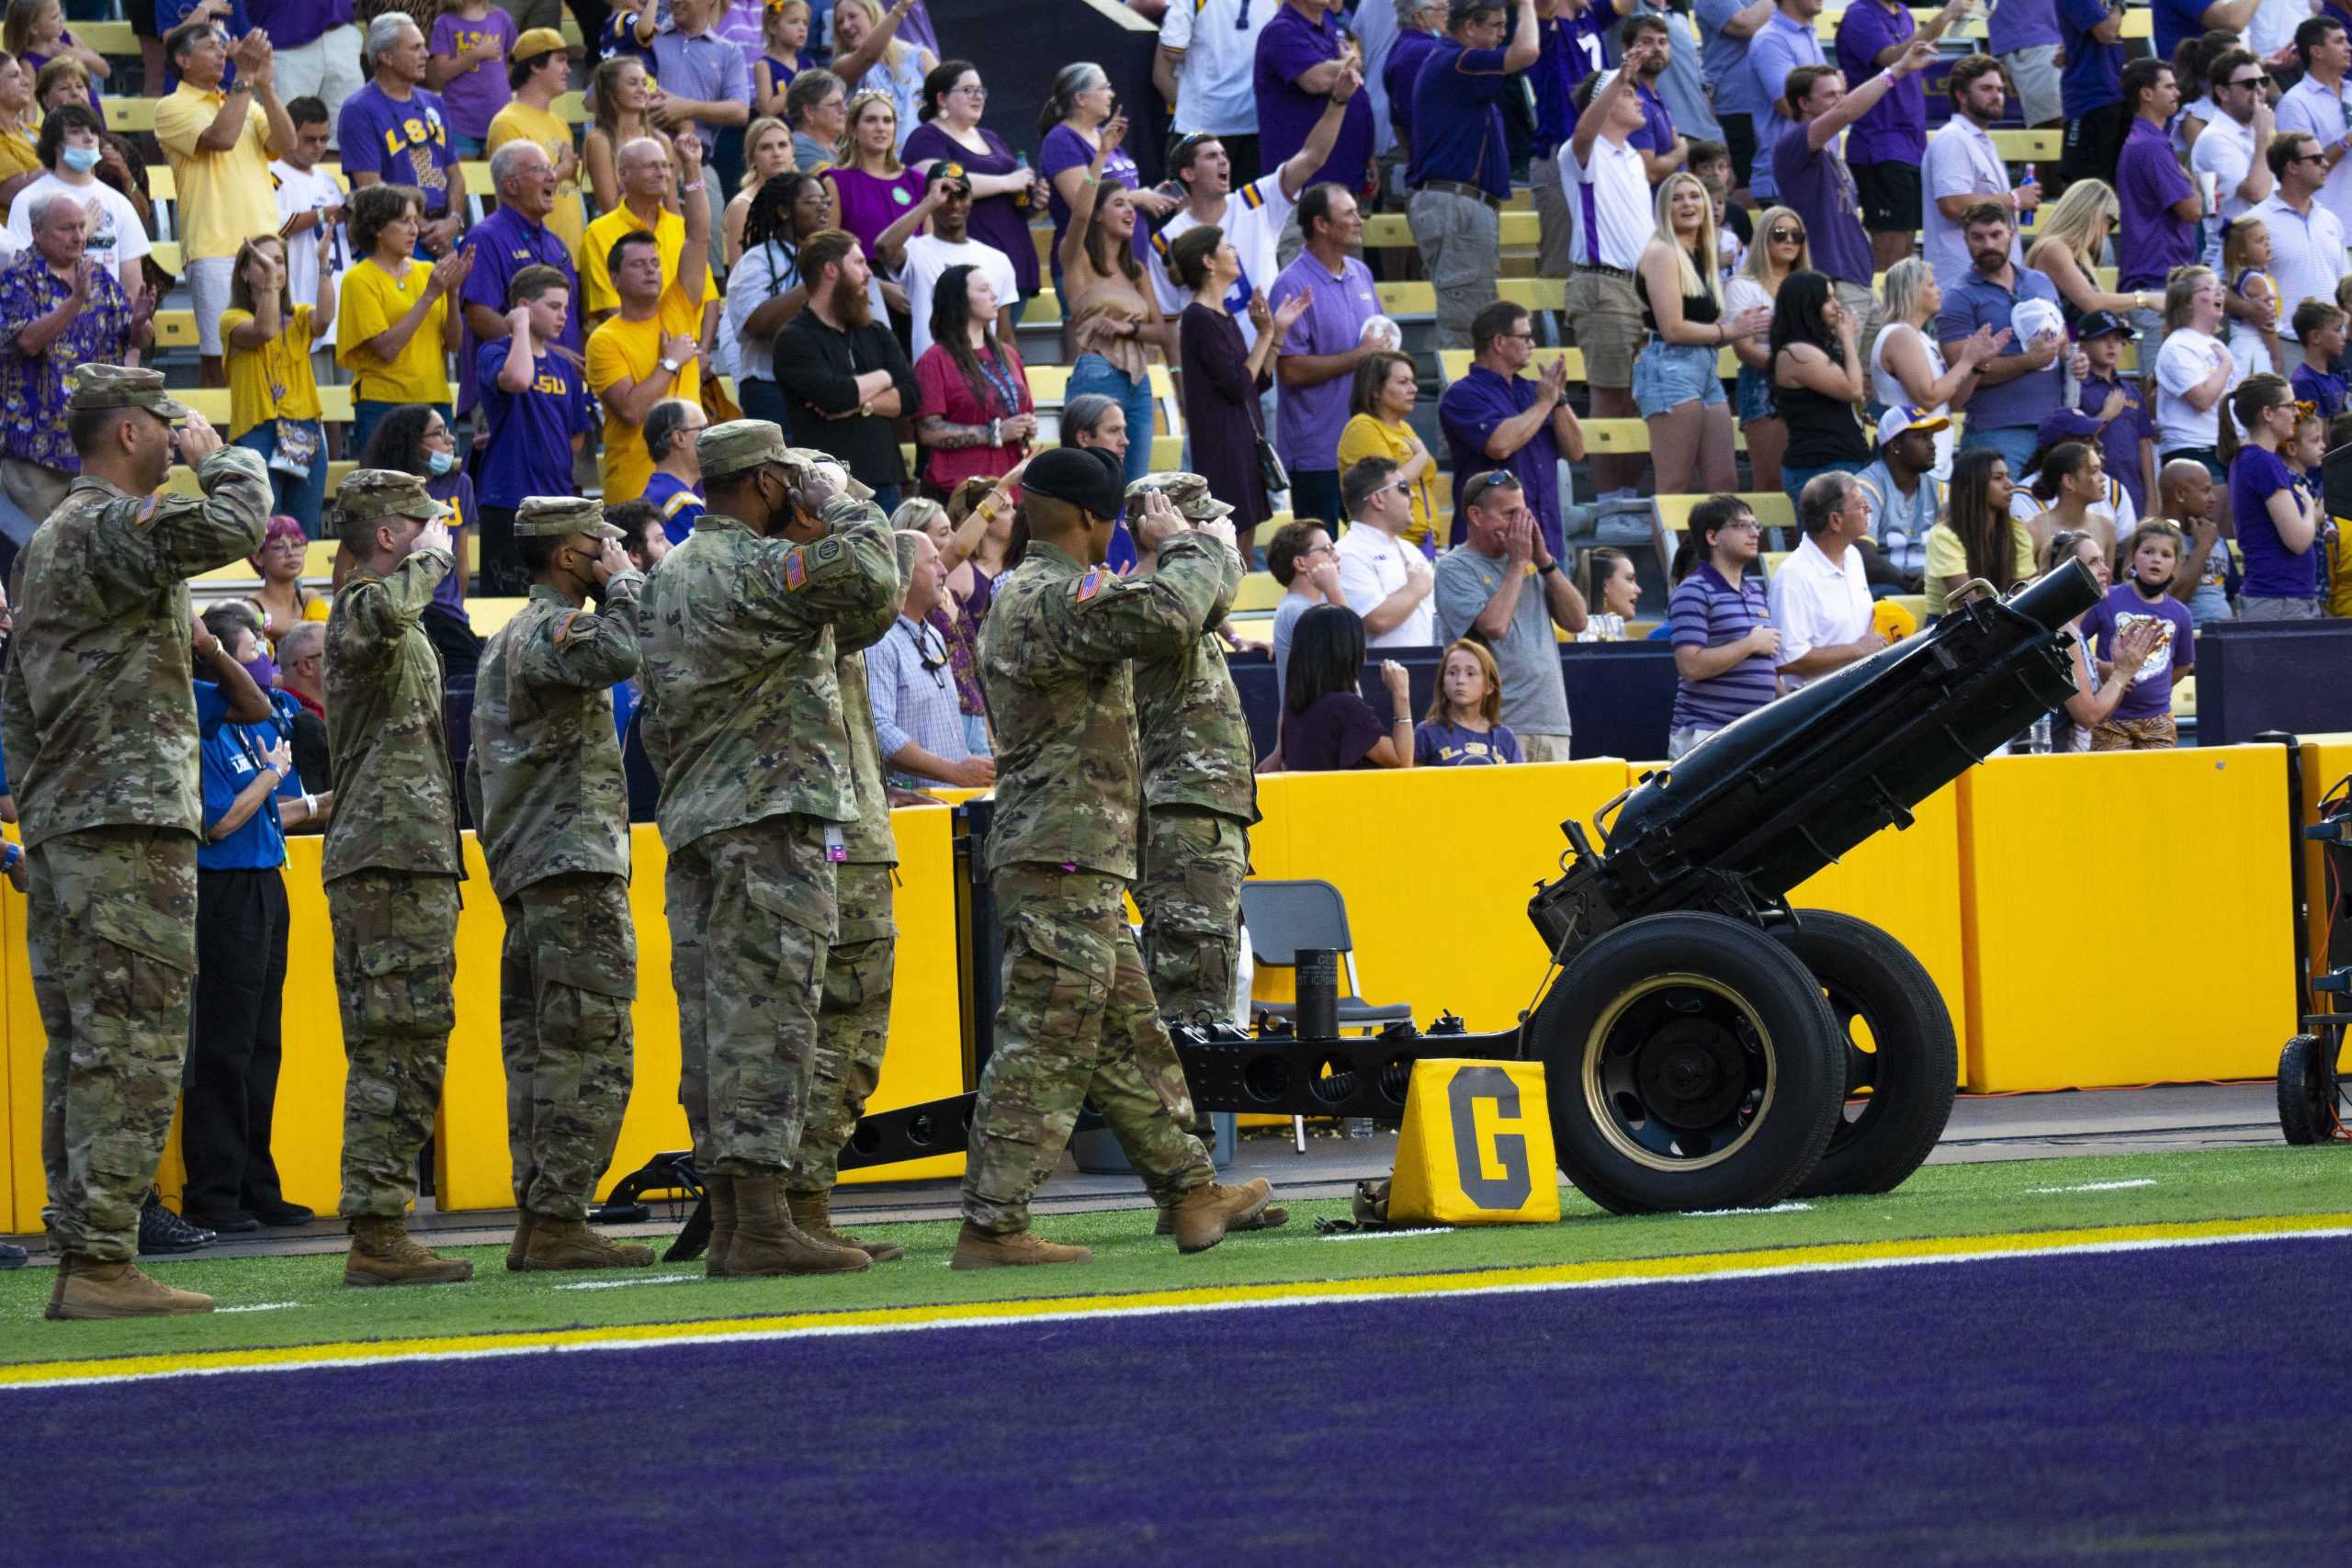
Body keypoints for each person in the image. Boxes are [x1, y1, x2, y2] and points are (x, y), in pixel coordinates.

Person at [0, 367, 270, 1318]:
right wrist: (222, 456)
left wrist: (38, 813)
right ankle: (104, 1261)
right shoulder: (109, 528)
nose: (177, 434)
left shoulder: (46, 545)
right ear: (128, 434)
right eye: (166, 424)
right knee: (134, 1043)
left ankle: (87, 1254)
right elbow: (239, 528)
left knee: (83, 1046)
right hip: (122, 826)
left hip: (78, 822)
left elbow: (16, 705)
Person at [635, 425, 900, 1279]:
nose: (796, 488)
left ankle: (737, 1220)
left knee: (718, 1026)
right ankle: (758, 1225)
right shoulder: (757, 569)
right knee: (771, 1025)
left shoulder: (667, 574)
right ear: (761, 482)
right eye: (786, 478)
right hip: (769, 820)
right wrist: (841, 503)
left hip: (698, 823)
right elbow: (873, 572)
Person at [463, 495, 654, 1271]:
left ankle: (545, 1216)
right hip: (569, 866)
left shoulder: (512, 635)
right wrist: (630, 584)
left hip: (540, 866)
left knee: (545, 1050)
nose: (612, 548)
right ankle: (559, 1216)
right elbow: (628, 649)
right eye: (598, 541)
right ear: (568, 558)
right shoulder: (550, 629)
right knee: (589, 1046)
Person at [317, 468, 471, 1287]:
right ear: (389, 536)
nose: (440, 538)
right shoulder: (360, 605)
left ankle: (384, 1221)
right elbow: (383, 610)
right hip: (383, 859)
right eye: (425, 526)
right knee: (392, 1042)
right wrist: (431, 563)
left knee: (415, 1038)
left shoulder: (396, 617)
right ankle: (376, 1227)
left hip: (409, 857)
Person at [785, 516, 922, 1265]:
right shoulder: (808, 599)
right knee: (843, 1032)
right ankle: (800, 1203)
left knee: (828, 1033)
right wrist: (851, 507)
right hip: (842, 844)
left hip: (833, 838)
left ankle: (800, 1203)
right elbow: (887, 582)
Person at [184, 600, 327, 1235]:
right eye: (252, 654)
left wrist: (298, 796)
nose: (263, 665)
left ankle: (257, 1182)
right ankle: (213, 1190)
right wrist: (273, 778)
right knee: (225, 1044)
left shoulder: (254, 727)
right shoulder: (208, 730)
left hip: (267, 883)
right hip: (224, 890)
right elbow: (217, 822)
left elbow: (272, 813)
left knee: (262, 1044)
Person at [1125, 469, 1263, 1036]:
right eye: (1201, 518)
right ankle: (1185, 1126)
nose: (1218, 528)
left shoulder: (1186, 596)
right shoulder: (1148, 599)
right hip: (1182, 818)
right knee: (1191, 1004)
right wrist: (1204, 550)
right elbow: (1216, 591)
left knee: (1207, 989)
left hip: (1198, 815)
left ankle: (1192, 1125)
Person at [1149, 70, 1360, 354]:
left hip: (1272, 356)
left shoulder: (1255, 200)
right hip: (1213, 369)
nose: (1224, 161)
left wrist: (1338, 101)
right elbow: (1169, 322)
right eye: (1212, 157)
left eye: (1224, 155)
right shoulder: (1165, 241)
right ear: (1188, 173)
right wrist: (1181, 384)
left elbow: (1311, 157)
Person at [155, 19, 296, 388]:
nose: (222, 52)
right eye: (211, 46)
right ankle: (214, 445)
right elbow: (221, 137)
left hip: (266, 245)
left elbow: (287, 142)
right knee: (220, 358)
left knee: (273, 352)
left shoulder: (244, 98)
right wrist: (246, 77)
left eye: (223, 46)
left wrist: (264, 84)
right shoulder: (171, 107)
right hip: (214, 247)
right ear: (183, 59)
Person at [1773, 45, 1938, 341]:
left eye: (1840, 92)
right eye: (1830, 96)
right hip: (1832, 283)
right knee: (1843, 377)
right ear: (1804, 103)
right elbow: (1847, 111)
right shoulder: (1794, 144)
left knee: (1867, 380)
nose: (1840, 100)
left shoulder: (1831, 152)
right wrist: (1897, 70)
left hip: (1857, 281)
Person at [586, 134, 715, 506]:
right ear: (615, 279)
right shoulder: (605, 339)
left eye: (655, 264)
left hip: (694, 484)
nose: (651, 272)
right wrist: (672, 362)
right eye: (639, 265)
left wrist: (691, 169)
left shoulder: (676, 306)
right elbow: (630, 410)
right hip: (636, 491)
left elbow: (699, 237)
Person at [1172, 223, 1311, 563]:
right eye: (1227, 247)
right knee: (1232, 542)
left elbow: (1256, 382)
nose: (1235, 253)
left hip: (1242, 440)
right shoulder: (1197, 318)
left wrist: (1276, 333)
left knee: (1245, 537)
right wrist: (1265, 336)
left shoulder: (1223, 316)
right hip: (1222, 445)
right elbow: (1237, 386)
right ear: (1208, 261)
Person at [1403, 0, 1535, 349]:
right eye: (1494, 26)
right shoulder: (1459, 60)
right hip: (1456, 203)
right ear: (1468, 28)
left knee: (1473, 321)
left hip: (1458, 203)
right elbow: (1527, 51)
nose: (1501, 35)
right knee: (1467, 329)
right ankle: (1464, 403)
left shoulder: (1455, 64)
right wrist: (1527, 5)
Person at [0, 194, 141, 519]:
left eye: (81, 227)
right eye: (66, 228)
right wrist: (76, 300)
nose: (79, 236)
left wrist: (141, 325)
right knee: (34, 559)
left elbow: (128, 340)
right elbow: (29, 341)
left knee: (91, 560)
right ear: (37, 231)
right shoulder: (16, 278)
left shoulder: (100, 278)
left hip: (95, 452)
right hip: (35, 452)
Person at [1431, 469, 1586, 759]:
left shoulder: (1531, 561)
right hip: (1496, 724)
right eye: (1509, 514)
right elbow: (1495, 626)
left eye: (1523, 514)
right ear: (1476, 516)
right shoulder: (1455, 567)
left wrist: (1545, 562)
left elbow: (1578, 621)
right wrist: (1517, 563)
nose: (1520, 524)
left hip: (1551, 720)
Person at [1635, 170, 1769, 496]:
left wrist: (1743, 326)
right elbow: (1673, 329)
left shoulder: (1701, 254)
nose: (1687, 204)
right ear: (1664, 209)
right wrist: (1730, 329)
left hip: (1703, 366)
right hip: (1670, 368)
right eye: (1677, 198)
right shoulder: (1663, 252)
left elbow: (1710, 328)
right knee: (1674, 484)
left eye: (1694, 196)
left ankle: (1714, 548)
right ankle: (1669, 549)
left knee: (1725, 483)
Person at [772, 228, 920, 509]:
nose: (868, 274)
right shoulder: (794, 338)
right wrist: (885, 377)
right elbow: (835, 396)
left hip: (884, 481)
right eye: (859, 263)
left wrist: (861, 404)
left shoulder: (874, 330)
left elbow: (911, 395)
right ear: (831, 270)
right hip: (828, 488)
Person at [1563, 58, 1656, 499]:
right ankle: (1607, 500)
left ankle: (1628, 495)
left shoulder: (1635, 159)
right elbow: (1584, 133)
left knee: (1640, 400)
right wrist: (1616, 75)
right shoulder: (1580, 151)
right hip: (1604, 283)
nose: (1637, 97)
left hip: (1644, 288)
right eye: (1626, 91)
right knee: (1610, 396)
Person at [1057, 121, 1166, 488]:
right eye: (1119, 203)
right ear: (1100, 215)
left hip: (1140, 380)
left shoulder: (1136, 270)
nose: (1130, 211)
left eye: (1132, 204)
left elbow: (1162, 331)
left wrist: (1128, 328)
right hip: (1097, 372)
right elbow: (1079, 214)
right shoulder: (1078, 261)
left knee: (1134, 485)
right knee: (1095, 480)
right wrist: (1101, 155)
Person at [1265, 184, 1381, 525]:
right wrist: (1360, 356)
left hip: (1368, 443)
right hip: (1318, 453)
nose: (1359, 220)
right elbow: (1291, 370)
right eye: (1349, 213)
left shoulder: (1362, 274)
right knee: (1318, 558)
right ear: (1322, 224)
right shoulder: (1291, 285)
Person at [478, 264, 597, 589]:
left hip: (556, 501)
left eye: (566, 308)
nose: (563, 316)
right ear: (525, 308)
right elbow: (518, 379)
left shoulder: (564, 367)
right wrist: (519, 327)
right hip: (509, 500)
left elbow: (575, 436)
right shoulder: (495, 351)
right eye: (554, 306)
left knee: (558, 599)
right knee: (506, 605)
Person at [1438, 299, 1586, 559]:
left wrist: (1559, 400)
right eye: (1526, 337)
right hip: (1493, 550)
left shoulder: (1533, 391)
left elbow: (1576, 451)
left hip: (1546, 543)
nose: (1533, 344)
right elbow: (1500, 445)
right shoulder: (1462, 395)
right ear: (1499, 341)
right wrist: (1545, 403)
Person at [1838, 0, 1973, 273]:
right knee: (1890, 251)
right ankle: (1881, 314)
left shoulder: (1902, 12)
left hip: (1910, 145)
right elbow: (1893, 57)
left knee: (1905, 242)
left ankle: (1895, 312)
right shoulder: (1860, 15)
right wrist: (1945, 16)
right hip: (1880, 145)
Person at [1938, 202, 2070, 476]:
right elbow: (1961, 374)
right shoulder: (1957, 298)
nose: (1988, 244)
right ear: (1965, 240)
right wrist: (2028, 361)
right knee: (1999, 516)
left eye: (1996, 235)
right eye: (1978, 237)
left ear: (2012, 233)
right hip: (1997, 430)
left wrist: (2070, 357)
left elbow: (2062, 337)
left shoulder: (2040, 281)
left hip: (2053, 426)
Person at [457, 139, 582, 421]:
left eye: (552, 169)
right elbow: (479, 316)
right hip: (509, 393)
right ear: (511, 185)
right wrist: (544, 351)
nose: (553, 176)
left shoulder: (556, 245)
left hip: (562, 390)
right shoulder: (485, 238)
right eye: (541, 170)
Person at [337, 185, 469, 454]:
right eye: (404, 221)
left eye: (415, 221)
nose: (414, 230)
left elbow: (454, 344)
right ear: (377, 228)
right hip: (382, 404)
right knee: (384, 492)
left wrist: (453, 294)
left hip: (434, 399)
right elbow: (386, 349)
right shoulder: (359, 279)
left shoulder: (428, 271)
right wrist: (430, 296)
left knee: (439, 489)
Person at [903, 62, 1042, 311]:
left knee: (1004, 348)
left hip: (1013, 265)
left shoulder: (990, 136)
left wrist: (1035, 202)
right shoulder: (926, 137)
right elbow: (940, 185)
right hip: (967, 271)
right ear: (942, 98)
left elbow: (1009, 198)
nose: (978, 96)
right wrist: (1007, 182)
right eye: (968, 90)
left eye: (980, 90)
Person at [220, 231, 335, 534]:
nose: (275, 268)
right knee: (262, 533)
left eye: (280, 262)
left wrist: (323, 263)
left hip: (304, 431)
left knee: (303, 532)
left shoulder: (299, 316)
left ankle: (301, 585)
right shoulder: (232, 319)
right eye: (263, 262)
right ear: (245, 272)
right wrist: (271, 282)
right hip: (257, 433)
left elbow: (324, 320)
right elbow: (265, 330)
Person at [866, 513, 989, 789]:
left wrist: (968, 765)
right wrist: (954, 772)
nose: (944, 571)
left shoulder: (932, 634)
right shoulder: (879, 641)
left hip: (948, 804)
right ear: (904, 573)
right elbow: (879, 730)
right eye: (933, 562)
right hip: (913, 812)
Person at [1039, 61, 1173, 295]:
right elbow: (1081, 202)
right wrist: (1138, 198)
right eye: (1104, 88)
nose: (1111, 94)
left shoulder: (1104, 135)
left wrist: (1153, 196)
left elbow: (1118, 188)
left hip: (1131, 260)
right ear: (1081, 98)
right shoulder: (1061, 140)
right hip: (1091, 263)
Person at [338, 15, 466, 259]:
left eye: (424, 46)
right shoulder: (359, 109)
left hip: (445, 234)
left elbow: (455, 173)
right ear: (386, 57)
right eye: (415, 47)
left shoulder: (434, 103)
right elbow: (372, 187)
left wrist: (454, 221)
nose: (426, 54)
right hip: (394, 240)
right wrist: (421, 226)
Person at [1, 105, 150, 310]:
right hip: (48, 325)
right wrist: (82, 233)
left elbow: (132, 287)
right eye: (76, 132)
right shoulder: (28, 200)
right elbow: (21, 274)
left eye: (93, 131)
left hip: (107, 329)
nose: (89, 138)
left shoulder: (118, 203)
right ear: (55, 145)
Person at [1666, 492, 1779, 756]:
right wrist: (1750, 644)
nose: (1754, 533)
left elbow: (1762, 671)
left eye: (1756, 525)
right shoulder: (1692, 591)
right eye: (1741, 526)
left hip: (1753, 733)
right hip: (1707, 737)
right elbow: (1690, 666)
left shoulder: (1755, 593)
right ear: (1712, 537)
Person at [581, 134, 722, 344]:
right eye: (651, 166)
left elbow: (709, 298)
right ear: (623, 174)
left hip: (690, 354)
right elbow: (610, 309)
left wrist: (702, 351)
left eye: (666, 166)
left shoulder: (681, 227)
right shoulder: (598, 232)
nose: (662, 173)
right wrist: (666, 357)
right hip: (635, 354)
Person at [912, 261, 1033, 498]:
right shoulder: (935, 359)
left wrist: (1027, 426)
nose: (994, 295)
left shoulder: (1008, 354)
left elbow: (1024, 410)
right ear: (960, 299)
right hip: (962, 491)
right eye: (984, 289)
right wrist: (995, 433)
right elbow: (928, 431)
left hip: (1011, 488)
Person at [727, 171, 833, 433]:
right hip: (770, 390)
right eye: (811, 201)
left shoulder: (834, 258)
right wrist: (813, 281)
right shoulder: (757, 261)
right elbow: (756, 324)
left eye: (825, 201)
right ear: (785, 211)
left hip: (825, 389)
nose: (822, 207)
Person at [1874, 259, 1996, 486]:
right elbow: (1928, 398)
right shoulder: (1900, 335)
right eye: (1931, 285)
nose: (1939, 290)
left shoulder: (1921, 339)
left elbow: (1951, 403)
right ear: (1911, 290)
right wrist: (1967, 359)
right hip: (1913, 468)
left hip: (1934, 466)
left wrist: (1976, 366)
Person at [2077, 520, 2198, 747]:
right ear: (2133, 556)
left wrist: (2154, 685)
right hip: (2111, 718)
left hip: (2158, 719)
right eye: (2148, 551)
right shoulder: (2107, 599)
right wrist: (2101, 668)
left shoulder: (2181, 614)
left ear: (2176, 564)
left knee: (2157, 781)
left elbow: (2182, 665)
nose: (2156, 559)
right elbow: (2074, 643)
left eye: (2166, 554)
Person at [1922, 53, 2036, 288]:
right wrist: (2014, 199)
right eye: (1986, 89)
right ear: (1961, 95)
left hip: (1989, 282)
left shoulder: (1979, 140)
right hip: (1963, 284)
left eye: (2000, 89)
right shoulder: (1953, 138)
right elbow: (1952, 204)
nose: (1997, 96)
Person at [2249, 133, 2352, 377]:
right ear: (2291, 167)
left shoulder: (2330, 220)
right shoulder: (2256, 221)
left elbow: (2345, 288)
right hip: (2287, 348)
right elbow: (2226, 284)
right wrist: (2248, 307)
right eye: (2316, 159)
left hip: (2337, 351)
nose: (2326, 162)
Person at [2118, 59, 2204, 345]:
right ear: (2146, 94)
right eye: (2168, 86)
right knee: (2160, 380)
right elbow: (2192, 211)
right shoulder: (2152, 145)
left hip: (2156, 276)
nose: (2177, 92)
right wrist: (2194, 185)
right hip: (2158, 278)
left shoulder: (2145, 140)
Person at [1769, 470, 1883, 687]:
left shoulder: (1853, 556)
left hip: (1862, 690)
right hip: (1822, 706)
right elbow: (1787, 660)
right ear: (1835, 520)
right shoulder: (1792, 577)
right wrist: (1856, 650)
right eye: (1860, 505)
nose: (1869, 509)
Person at [1769, 268, 1870, 510]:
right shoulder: (1796, 353)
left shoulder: (1817, 348)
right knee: (1828, 547)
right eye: (1827, 299)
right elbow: (1854, 389)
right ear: (1807, 305)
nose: (1837, 305)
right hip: (1819, 467)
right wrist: (1847, 338)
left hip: (1841, 461)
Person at [893, 167, 1017, 362]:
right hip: (934, 370)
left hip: (985, 375)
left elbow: (1005, 335)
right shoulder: (914, 251)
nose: (955, 204)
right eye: (946, 195)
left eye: (962, 196)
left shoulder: (998, 259)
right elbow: (883, 248)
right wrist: (930, 203)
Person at [2229, 371, 2325, 616]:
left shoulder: (2252, 458)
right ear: (2268, 413)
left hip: (2279, 598)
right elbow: (2298, 540)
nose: (2296, 412)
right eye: (2289, 406)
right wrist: (2310, 507)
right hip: (2279, 600)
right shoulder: (2263, 462)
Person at [1726, 204, 1805, 497]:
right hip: (1764, 387)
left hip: (1811, 389)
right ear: (1763, 238)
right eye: (1780, 234)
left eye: (1797, 235)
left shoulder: (1810, 283)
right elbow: (1744, 350)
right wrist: (1792, 368)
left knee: (1808, 485)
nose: (1789, 241)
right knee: (1772, 485)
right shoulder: (1743, 285)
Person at [487, 29, 586, 260]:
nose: (568, 69)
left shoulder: (560, 123)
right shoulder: (507, 123)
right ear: (535, 66)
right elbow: (515, 190)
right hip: (533, 255)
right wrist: (562, 171)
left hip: (571, 253)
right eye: (560, 60)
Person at [271, 96, 350, 375]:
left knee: (344, 398)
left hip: (339, 294)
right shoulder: (273, 175)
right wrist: (323, 213)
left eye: (324, 139)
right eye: (310, 139)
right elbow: (276, 226)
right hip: (303, 295)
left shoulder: (327, 179)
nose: (319, 146)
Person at [1282, 603, 1413, 770]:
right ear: (1347, 651)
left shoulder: (1294, 710)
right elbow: (1403, 764)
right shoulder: (1345, 707)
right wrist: (1401, 694)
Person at [1157, 0, 1272, 187]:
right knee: (1247, 210)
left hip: (1201, 123)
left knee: (1189, 210)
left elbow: (1172, 49)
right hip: (1254, 122)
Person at [2154, 265, 2244, 491]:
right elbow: (2202, 399)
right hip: (2194, 450)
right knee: (2205, 525)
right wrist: (2225, 364)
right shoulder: (2178, 345)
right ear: (2187, 301)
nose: (2219, 294)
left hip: (2223, 448)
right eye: (2209, 288)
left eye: (2220, 288)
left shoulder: (2217, 345)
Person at [821, 88, 923, 286]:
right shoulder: (835, 182)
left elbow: (930, 248)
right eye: (871, 120)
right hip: (860, 286)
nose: (881, 127)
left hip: (916, 281)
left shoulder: (916, 181)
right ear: (852, 129)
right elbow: (828, 252)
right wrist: (878, 288)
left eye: (887, 120)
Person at [1333, 454, 1437, 647]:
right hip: (1378, 673)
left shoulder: (1410, 550)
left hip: (1425, 668)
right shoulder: (1347, 554)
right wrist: (1415, 589)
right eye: (1403, 488)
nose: (1413, 495)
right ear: (1378, 499)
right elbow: (1375, 619)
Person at [1337, 351, 1438, 549]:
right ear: (1375, 390)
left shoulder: (1404, 427)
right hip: (1385, 547)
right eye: (1403, 382)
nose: (1414, 389)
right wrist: (1421, 456)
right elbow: (1385, 487)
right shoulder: (1362, 427)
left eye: (1413, 382)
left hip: (1421, 545)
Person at [2190, 48, 2278, 273]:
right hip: (2232, 264)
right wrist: (2263, 138)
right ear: (2223, 92)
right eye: (2249, 84)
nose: (2259, 90)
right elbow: (2256, 192)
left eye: (2263, 81)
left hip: (2265, 255)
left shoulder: (2260, 131)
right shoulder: (2215, 138)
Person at [2024, 179, 2156, 326]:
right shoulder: (2055, 249)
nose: (2107, 232)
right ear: (2092, 215)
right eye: (2110, 222)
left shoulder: (2073, 253)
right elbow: (2091, 302)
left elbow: (2089, 308)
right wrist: (2145, 299)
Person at [1924, 446, 2036, 615]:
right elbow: (1967, 604)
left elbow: (2022, 595)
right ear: (1969, 487)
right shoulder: (1944, 536)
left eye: (2008, 476)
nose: (2009, 484)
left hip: (2001, 620)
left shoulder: (2016, 531)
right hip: (1950, 627)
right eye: (1998, 478)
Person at [2278, 17, 2352, 246]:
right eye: (2339, 41)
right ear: (2316, 51)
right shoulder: (2295, 103)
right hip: (2330, 232)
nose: (2349, 47)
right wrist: (2347, 140)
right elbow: (2300, 169)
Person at [1853, 406, 1947, 590]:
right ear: (1895, 445)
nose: (1932, 445)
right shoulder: (1865, 487)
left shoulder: (1940, 489)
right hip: (1884, 588)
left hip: (1931, 587)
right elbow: (1861, 556)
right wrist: (1910, 583)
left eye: (1931, 436)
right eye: (1921, 437)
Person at [1743, 0, 1824, 206]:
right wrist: (1834, 93)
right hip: (1785, 181)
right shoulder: (1771, 39)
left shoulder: (1807, 34)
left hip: (1810, 175)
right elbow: (1789, 104)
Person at [824, 0, 933, 152]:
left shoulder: (921, 57)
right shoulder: (840, 68)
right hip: (872, 166)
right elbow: (868, 55)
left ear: (873, 15)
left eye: (852, 16)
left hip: (923, 160)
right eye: (840, 22)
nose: (845, 26)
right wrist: (900, 9)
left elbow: (945, 105)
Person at [584, 55, 678, 213]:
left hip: (662, 233)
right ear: (611, 90)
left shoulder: (661, 140)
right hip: (623, 234)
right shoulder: (600, 141)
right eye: (632, 83)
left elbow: (672, 205)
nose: (642, 90)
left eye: (644, 83)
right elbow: (610, 209)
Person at [1697, 0, 1769, 197]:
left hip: (1772, 105)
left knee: (1777, 192)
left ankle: (1774, 228)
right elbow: (1745, 24)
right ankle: (1742, 228)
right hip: (1736, 109)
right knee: (1746, 193)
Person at [1267, 516, 1343, 701]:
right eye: (1327, 549)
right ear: (1300, 563)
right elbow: (1352, 654)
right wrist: (1334, 590)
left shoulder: (1303, 607)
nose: (1336, 556)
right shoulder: (1298, 610)